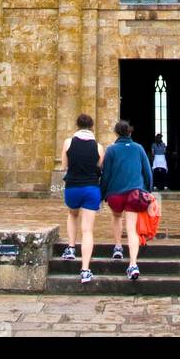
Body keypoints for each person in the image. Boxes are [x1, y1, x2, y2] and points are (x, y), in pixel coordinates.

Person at [100, 120, 153, 282]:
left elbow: (106, 174)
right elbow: (147, 172)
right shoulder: (138, 148)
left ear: (116, 133)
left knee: (116, 217)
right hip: (134, 193)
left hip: (115, 194)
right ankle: (133, 264)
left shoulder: (111, 150)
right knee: (131, 228)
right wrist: (148, 192)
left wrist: (102, 194)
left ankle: (117, 247)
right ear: (130, 132)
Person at [60, 114, 104, 285]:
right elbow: (98, 167)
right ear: (92, 126)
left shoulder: (68, 142)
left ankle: (71, 248)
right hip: (91, 188)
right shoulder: (98, 147)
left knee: (72, 215)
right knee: (88, 230)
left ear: (77, 125)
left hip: (72, 187)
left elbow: (64, 166)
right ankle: (85, 270)